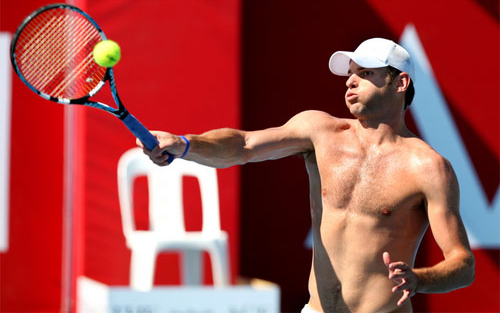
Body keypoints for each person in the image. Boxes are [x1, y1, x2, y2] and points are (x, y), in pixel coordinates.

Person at [138, 38, 475, 313]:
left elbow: (463, 263)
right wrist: (185, 144)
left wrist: (419, 280)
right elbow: (243, 144)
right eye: (351, 73)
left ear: (400, 82)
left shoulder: (428, 167)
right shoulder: (320, 131)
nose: (350, 81)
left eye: (366, 73)